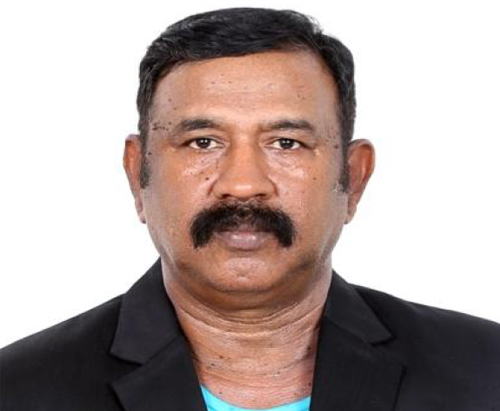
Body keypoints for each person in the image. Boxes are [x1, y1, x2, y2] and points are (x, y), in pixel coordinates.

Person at [1, 7, 499, 411]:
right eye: (202, 141)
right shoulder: (18, 390)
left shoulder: (486, 373)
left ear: (354, 178)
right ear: (138, 174)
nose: (243, 185)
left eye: (286, 143)